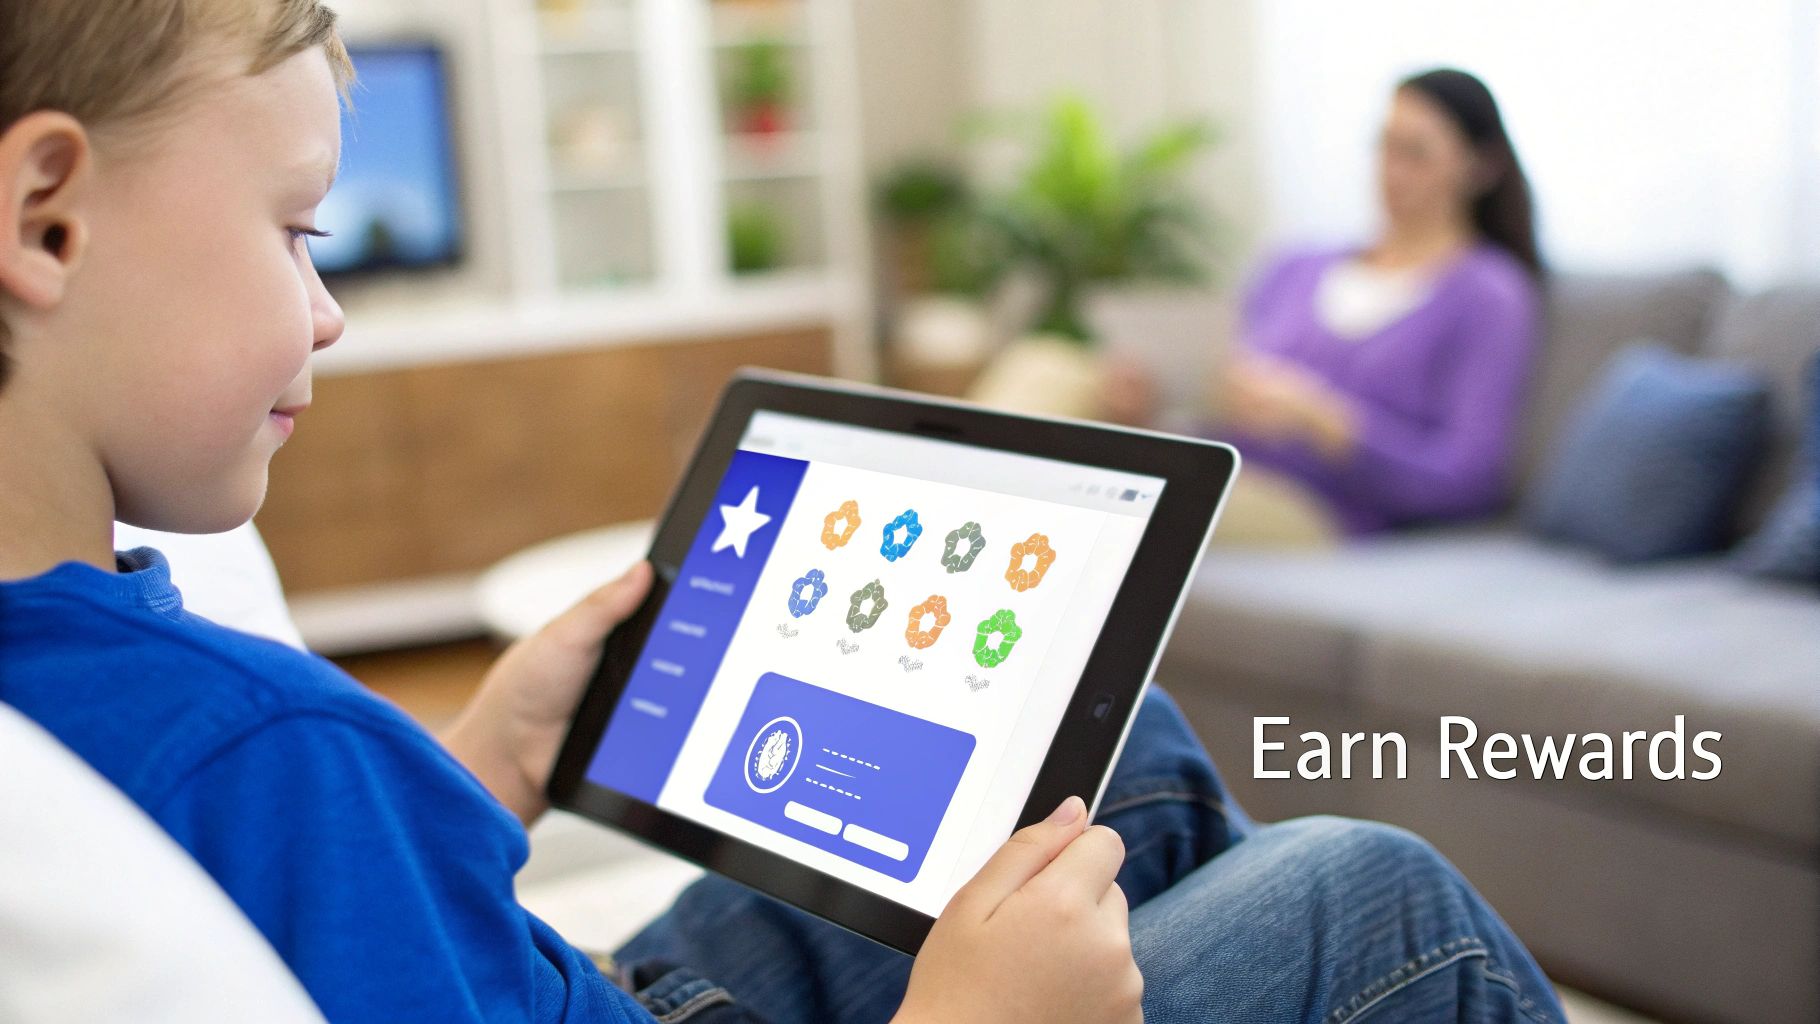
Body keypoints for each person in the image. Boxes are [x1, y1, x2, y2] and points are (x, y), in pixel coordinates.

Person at [0, 5, 1565, 1022]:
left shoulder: (130, 703)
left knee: (1115, 752)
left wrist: (489, 763)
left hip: (575, 985)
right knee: (1368, 895)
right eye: (296, 230)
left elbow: (343, 919)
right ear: (44, 217)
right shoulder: (258, 738)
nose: (329, 311)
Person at [1109, 68, 1542, 548]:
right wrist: (1152, 410)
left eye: (1415, 153)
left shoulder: (1489, 294)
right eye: (1384, 146)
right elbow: (1219, 404)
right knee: (1052, 369)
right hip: (1217, 460)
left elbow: (1469, 481)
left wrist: (1329, 424)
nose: (1391, 170)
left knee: (1130, 501)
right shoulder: (1295, 265)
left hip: (1317, 506)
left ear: (1480, 167)